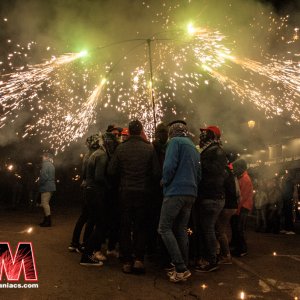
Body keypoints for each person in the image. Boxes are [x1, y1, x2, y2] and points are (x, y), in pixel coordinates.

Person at [108, 119, 160, 274]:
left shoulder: (121, 148)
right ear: (141, 130)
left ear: (129, 131)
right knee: (140, 226)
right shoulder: (149, 148)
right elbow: (157, 172)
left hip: (125, 192)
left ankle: (126, 261)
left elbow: (111, 171)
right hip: (143, 193)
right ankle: (138, 259)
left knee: (125, 227)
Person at [158, 121, 200, 283]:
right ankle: (184, 267)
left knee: (164, 228)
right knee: (181, 229)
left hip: (175, 192)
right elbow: (199, 172)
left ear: (172, 132)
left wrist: (165, 181)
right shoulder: (192, 146)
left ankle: (180, 267)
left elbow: (169, 166)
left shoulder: (174, 142)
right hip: (191, 193)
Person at [194, 125, 227, 272]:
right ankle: (210, 256)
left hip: (211, 196)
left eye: (205, 133)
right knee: (208, 228)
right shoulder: (212, 150)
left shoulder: (215, 151)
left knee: (207, 229)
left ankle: (211, 260)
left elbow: (214, 172)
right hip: (212, 196)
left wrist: (200, 163)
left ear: (212, 135)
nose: (202, 135)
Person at [80, 133, 109, 266]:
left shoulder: (93, 154)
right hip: (95, 192)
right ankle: (87, 255)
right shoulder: (101, 155)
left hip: (89, 191)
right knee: (101, 224)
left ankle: (86, 251)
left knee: (93, 220)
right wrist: (109, 185)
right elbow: (99, 177)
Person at [68, 136, 96, 253]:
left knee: (83, 217)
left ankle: (74, 243)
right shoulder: (92, 156)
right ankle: (85, 244)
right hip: (89, 189)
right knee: (88, 217)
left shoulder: (87, 155)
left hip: (85, 188)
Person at [215, 163, 240, 264]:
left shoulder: (222, 174)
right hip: (232, 205)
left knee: (220, 231)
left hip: (227, 205)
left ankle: (226, 255)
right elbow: (238, 193)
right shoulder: (232, 175)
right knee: (220, 230)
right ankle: (221, 252)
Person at [231, 159, 254, 257]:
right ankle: (236, 245)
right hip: (242, 206)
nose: (234, 169)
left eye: (235, 167)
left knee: (239, 228)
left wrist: (237, 210)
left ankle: (242, 249)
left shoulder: (245, 179)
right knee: (236, 227)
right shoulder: (241, 177)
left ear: (241, 168)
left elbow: (243, 197)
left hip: (243, 207)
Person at [39, 152, 56, 227]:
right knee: (46, 203)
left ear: (46, 157)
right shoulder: (51, 165)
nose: (42, 158)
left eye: (43, 157)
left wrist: (40, 183)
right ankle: (46, 220)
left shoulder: (45, 164)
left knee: (45, 204)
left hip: (46, 186)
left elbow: (44, 176)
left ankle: (48, 221)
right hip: (51, 186)